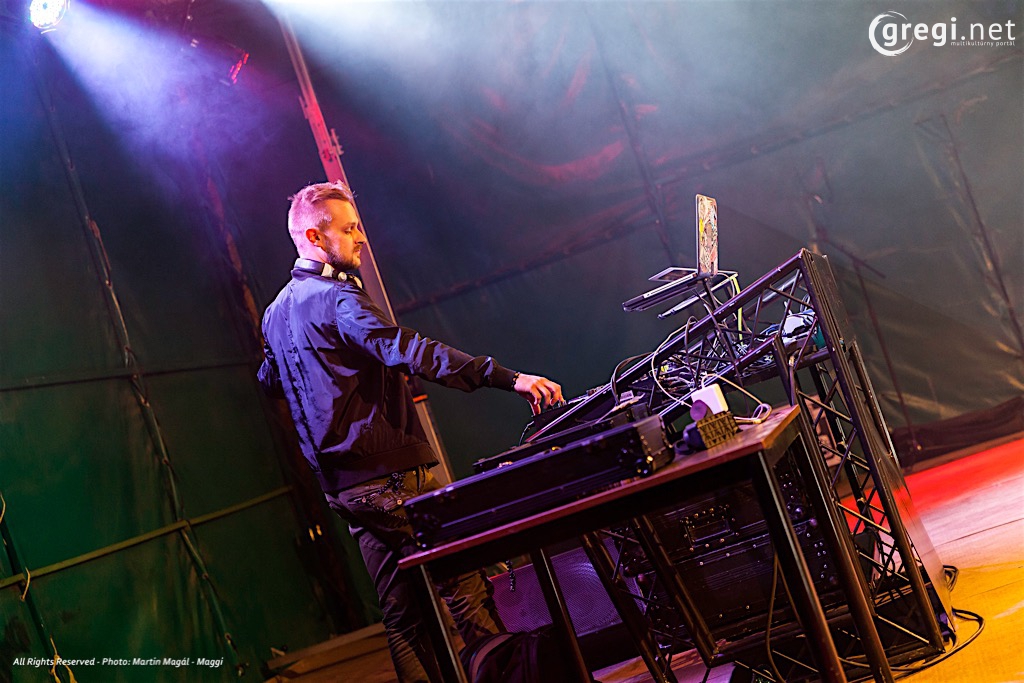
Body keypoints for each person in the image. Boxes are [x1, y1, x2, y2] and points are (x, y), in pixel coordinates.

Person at [257, 180, 563, 682]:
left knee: (405, 617)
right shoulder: (337, 299)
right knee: (464, 581)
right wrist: (507, 377)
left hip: (344, 490)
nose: (361, 237)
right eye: (349, 229)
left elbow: (270, 380)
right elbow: (408, 349)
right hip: (390, 478)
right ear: (314, 237)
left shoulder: (275, 313)